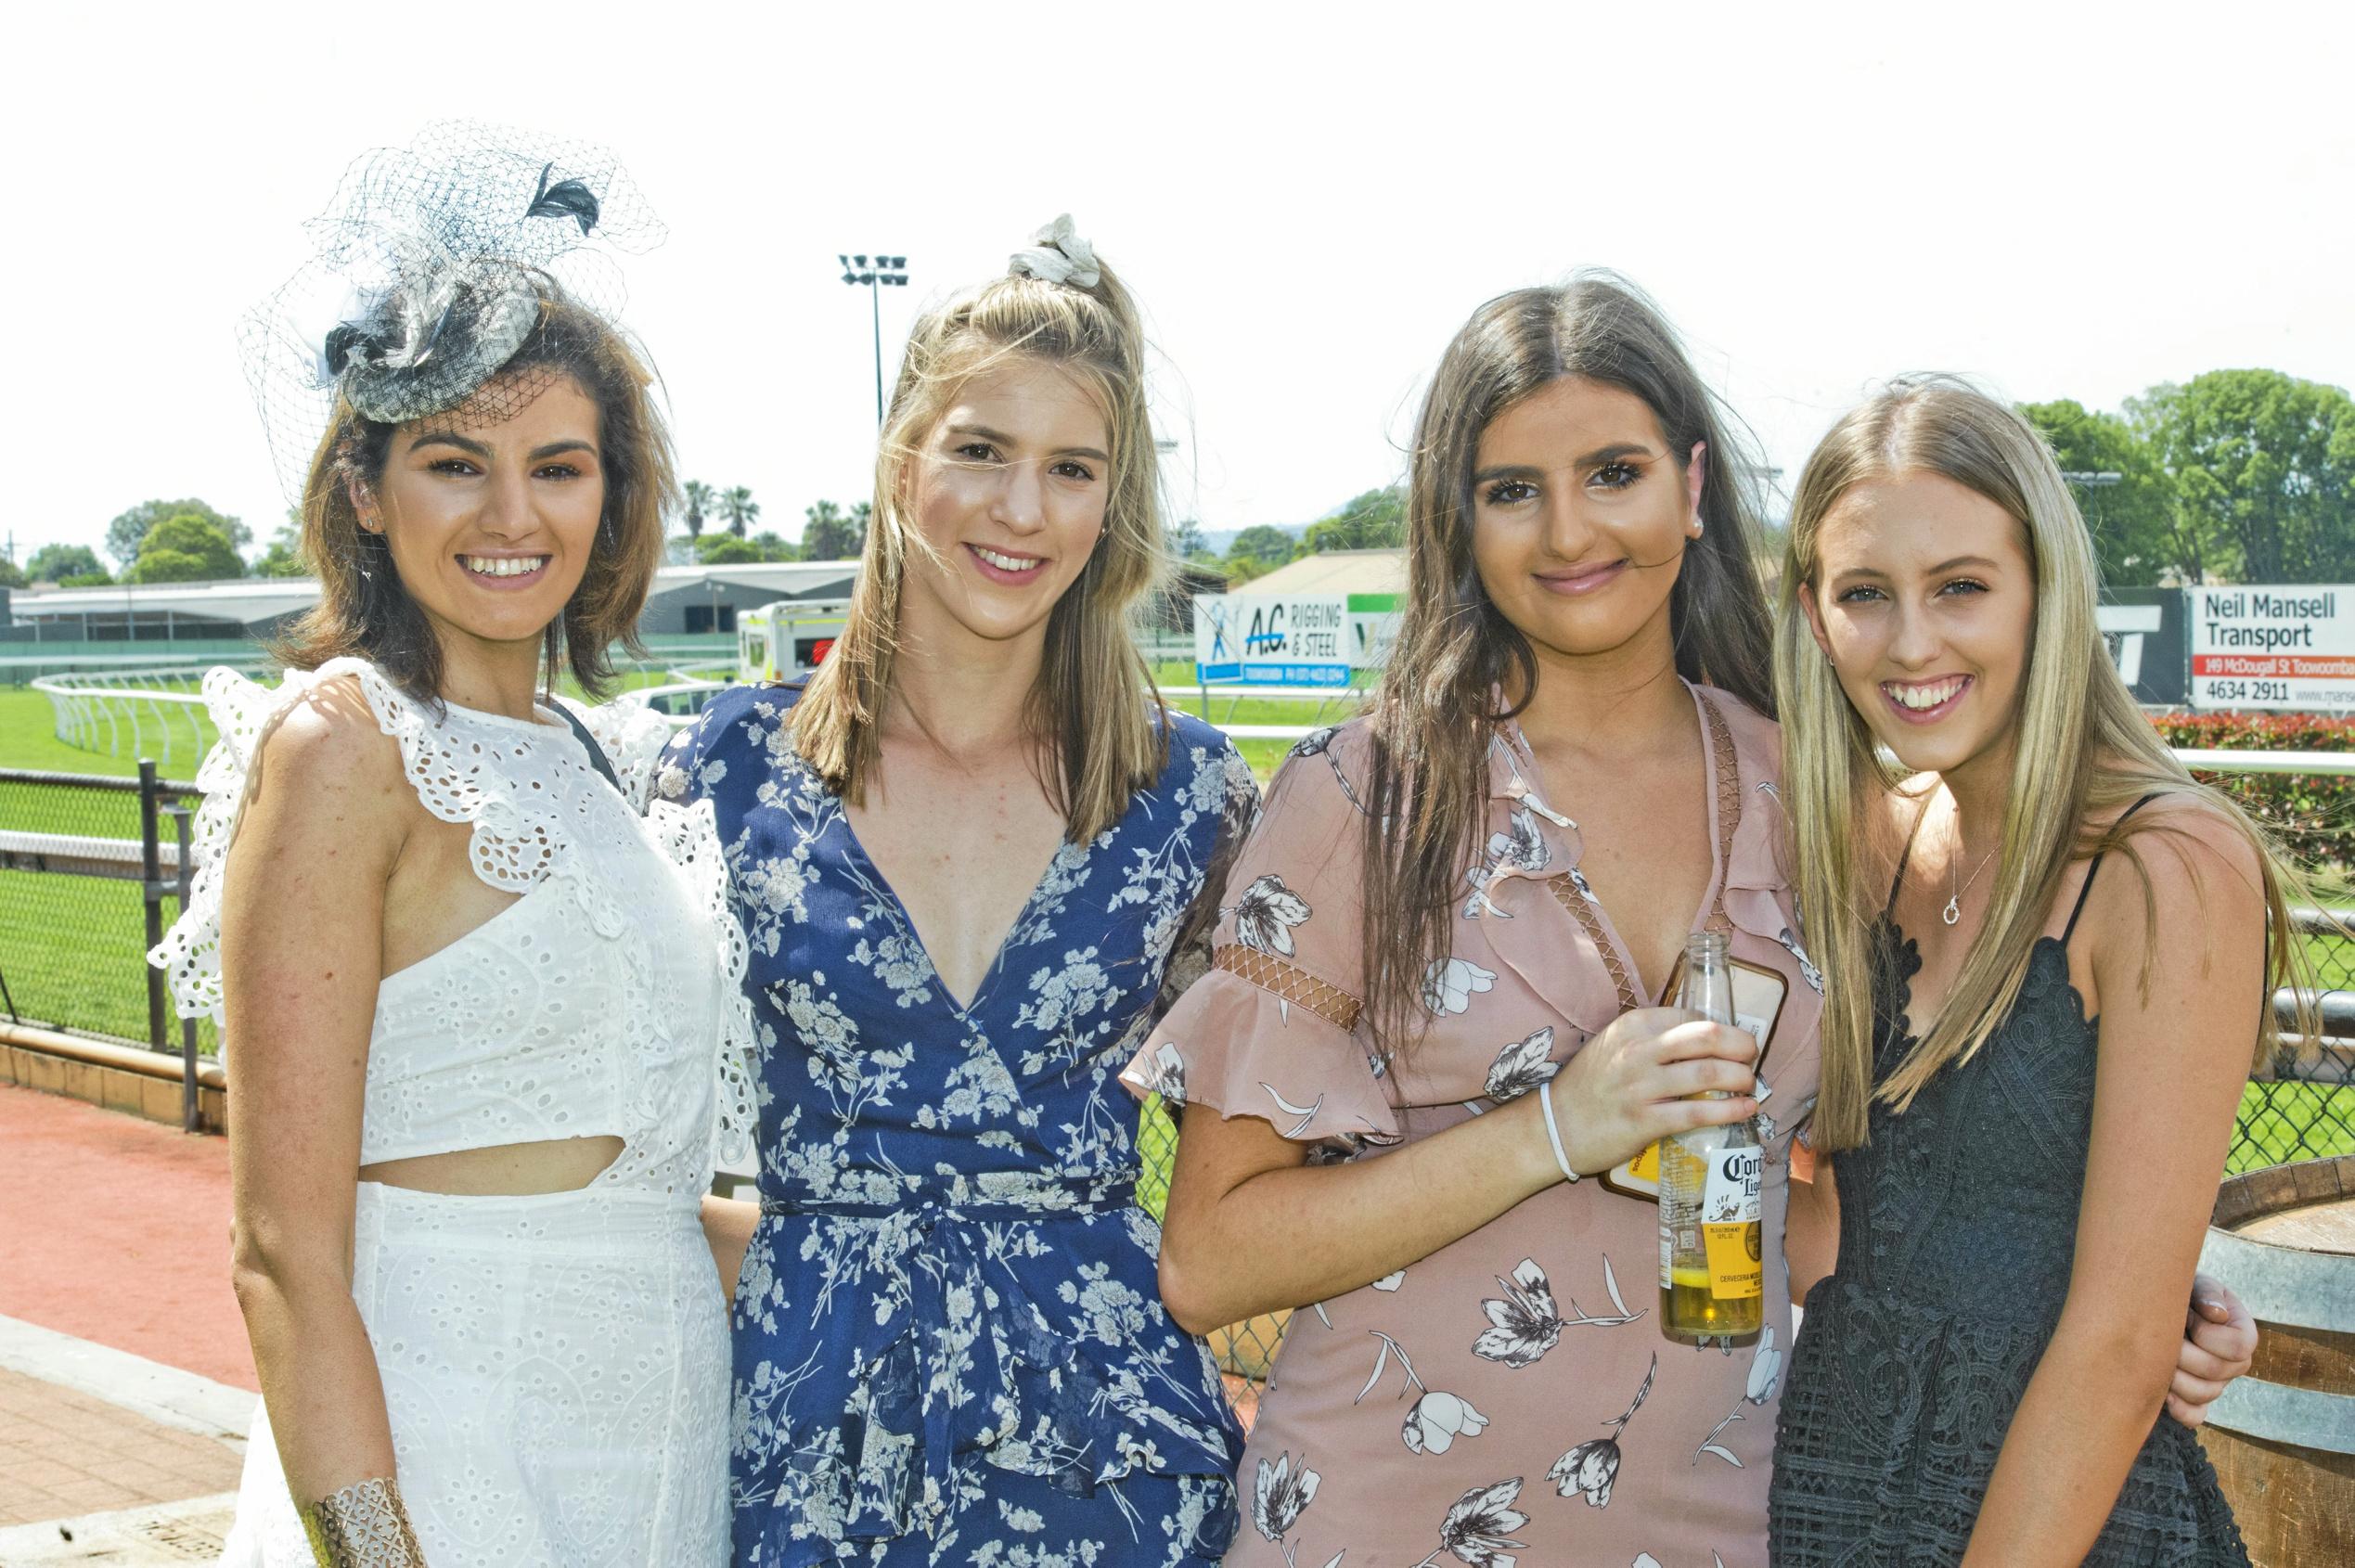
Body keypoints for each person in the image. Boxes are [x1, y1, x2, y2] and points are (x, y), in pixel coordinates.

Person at [1132, 277, 2257, 1568]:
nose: (1567, 530)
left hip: (1730, 1519)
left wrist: (2119, 1292)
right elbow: (1209, 1261)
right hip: (1388, 1515)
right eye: (1510, 489)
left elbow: (1836, 1204)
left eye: (1613, 470)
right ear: (1458, 517)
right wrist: (1553, 1127)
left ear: (1691, 486)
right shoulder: (1357, 800)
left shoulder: (1816, 812)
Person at [150, 125, 752, 1567]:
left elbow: (645, 1189)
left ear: (609, 492)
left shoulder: (609, 764)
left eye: (556, 466)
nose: (509, 515)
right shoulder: (342, 747)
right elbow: (283, 1251)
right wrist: (375, 1551)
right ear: (366, 489)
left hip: (662, 1463)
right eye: (451, 462)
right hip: (442, 1461)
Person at [656, 217, 1251, 1567]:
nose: (1021, 509)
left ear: (1114, 503)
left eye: (1071, 467)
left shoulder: (1194, 801)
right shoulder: (721, 776)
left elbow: (1283, 1156)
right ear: (899, 461)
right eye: (980, 449)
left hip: (1113, 1446)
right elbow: (613, 1146)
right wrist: (819, 1265)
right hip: (807, 1439)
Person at [1765, 379, 2308, 1565]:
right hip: (1833, 1496)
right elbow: (1850, 1240)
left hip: (2063, 1527)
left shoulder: (2166, 859)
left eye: (1961, 585)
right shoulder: (1868, 841)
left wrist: (2163, 1300)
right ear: (1814, 617)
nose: (1913, 642)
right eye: (1866, 593)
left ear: (2044, 590)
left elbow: (2116, 1348)